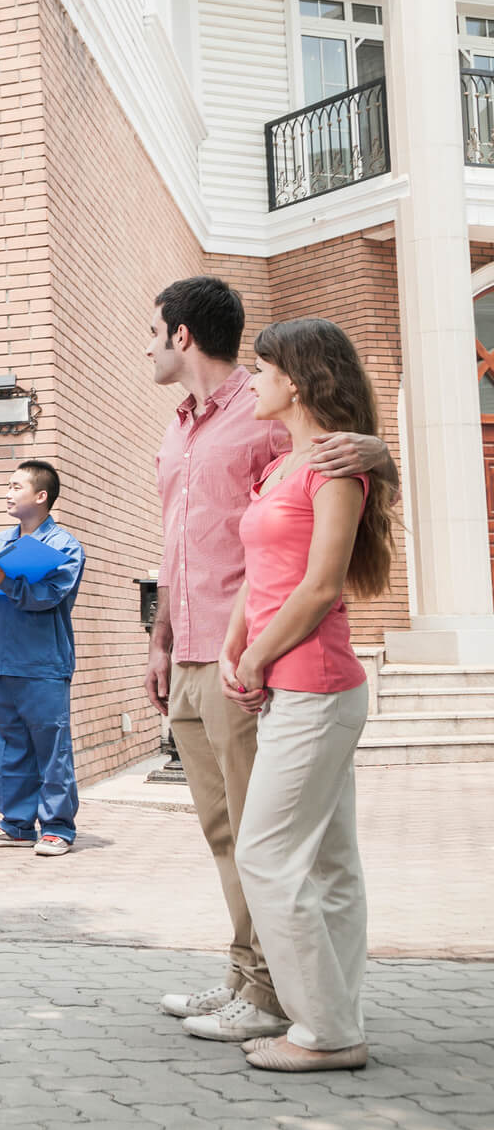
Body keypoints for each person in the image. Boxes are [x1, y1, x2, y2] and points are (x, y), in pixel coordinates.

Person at [143, 276, 395, 1045]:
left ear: (183, 334)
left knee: (268, 841)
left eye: (153, 330)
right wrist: (159, 636)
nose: (147, 345)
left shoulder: (262, 415)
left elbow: (332, 480)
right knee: (227, 835)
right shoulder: (179, 431)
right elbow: (179, 542)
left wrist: (383, 453)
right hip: (193, 651)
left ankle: (274, 994)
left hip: (260, 659)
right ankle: (243, 977)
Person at [220, 318, 393, 1074]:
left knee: (265, 853)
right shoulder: (279, 467)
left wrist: (257, 654)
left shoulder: (334, 467)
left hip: (316, 685)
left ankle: (322, 1029)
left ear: (294, 378)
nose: (251, 383)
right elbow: (263, 569)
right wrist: (236, 639)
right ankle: (337, 1017)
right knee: (327, 862)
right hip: (288, 683)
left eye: (260, 371)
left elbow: (322, 585)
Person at [0, 462, 86, 856]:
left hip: (44, 663)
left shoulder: (65, 547)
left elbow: (50, 597)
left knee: (51, 748)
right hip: (2, 660)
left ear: (41, 496)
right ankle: (16, 824)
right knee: (10, 746)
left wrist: (6, 583)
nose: (7, 493)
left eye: (16, 486)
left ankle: (57, 827)